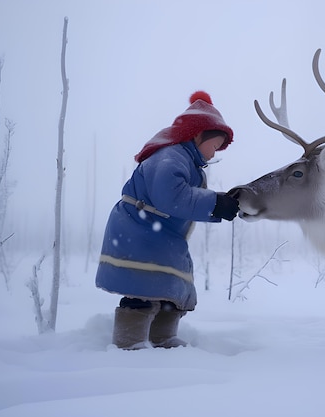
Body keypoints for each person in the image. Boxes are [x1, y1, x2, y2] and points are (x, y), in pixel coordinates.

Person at [95, 91, 239, 350]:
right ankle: (129, 343)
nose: (212, 154)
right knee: (141, 289)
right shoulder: (170, 156)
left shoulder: (187, 161)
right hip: (138, 231)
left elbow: (183, 200)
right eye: (214, 146)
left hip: (160, 235)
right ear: (198, 135)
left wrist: (218, 203)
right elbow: (170, 196)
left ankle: (162, 338)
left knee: (169, 289)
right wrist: (215, 204)